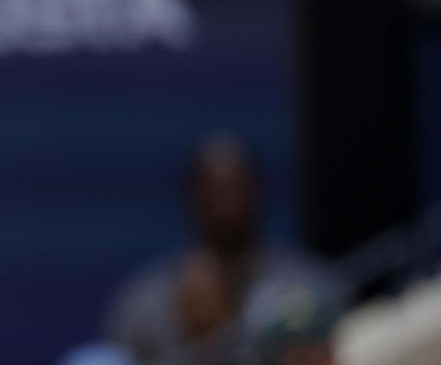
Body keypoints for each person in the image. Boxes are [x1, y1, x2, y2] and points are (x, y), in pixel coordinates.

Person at [104, 132, 346, 365]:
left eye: (237, 188)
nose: (226, 202)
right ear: (191, 199)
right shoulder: (143, 301)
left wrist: (225, 335)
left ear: (258, 194)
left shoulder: (311, 288)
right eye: (214, 191)